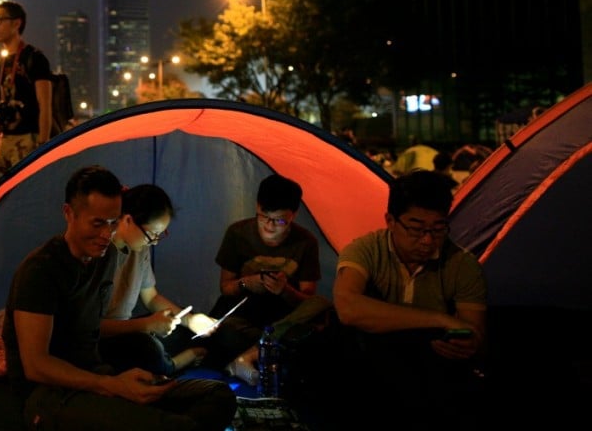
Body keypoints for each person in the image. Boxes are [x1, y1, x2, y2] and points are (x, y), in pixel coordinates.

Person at [2, 165, 236, 431]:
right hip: (49, 395)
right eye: (97, 223)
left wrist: (120, 380)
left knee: (218, 396)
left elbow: (93, 334)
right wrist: (110, 384)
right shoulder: (41, 270)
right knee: (176, 425)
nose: (106, 234)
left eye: (113, 223)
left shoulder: (106, 257)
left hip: (97, 375)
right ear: (69, 213)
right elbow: (36, 366)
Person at [333, 169, 487, 428]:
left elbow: (474, 330)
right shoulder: (366, 250)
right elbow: (348, 307)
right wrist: (439, 318)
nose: (428, 240)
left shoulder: (462, 265)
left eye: (438, 230)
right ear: (390, 221)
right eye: (416, 229)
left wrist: (469, 342)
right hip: (372, 369)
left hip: (432, 374)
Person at [202, 174, 329, 378]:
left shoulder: (305, 241)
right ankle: (266, 348)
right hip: (244, 315)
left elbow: (308, 300)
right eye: (264, 217)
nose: (270, 226)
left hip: (282, 318)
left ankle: (252, 354)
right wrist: (247, 283)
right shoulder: (238, 233)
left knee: (322, 306)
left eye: (279, 221)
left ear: (293, 216)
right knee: (224, 330)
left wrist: (284, 290)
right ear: (258, 207)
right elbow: (225, 288)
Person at [99, 184, 216, 377]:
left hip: (130, 329)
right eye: (152, 234)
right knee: (147, 347)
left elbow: (151, 298)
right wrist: (146, 325)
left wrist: (189, 320)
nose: (153, 241)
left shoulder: (140, 248)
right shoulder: (99, 252)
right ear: (128, 220)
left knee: (186, 333)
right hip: (105, 339)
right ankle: (173, 365)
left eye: (159, 236)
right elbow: (93, 327)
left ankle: (166, 360)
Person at [0, 0, 53, 177]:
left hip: (29, 140)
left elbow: (45, 104)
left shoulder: (34, 58)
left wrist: (43, 144)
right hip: (5, 139)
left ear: (17, 23)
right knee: (1, 197)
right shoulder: (0, 63)